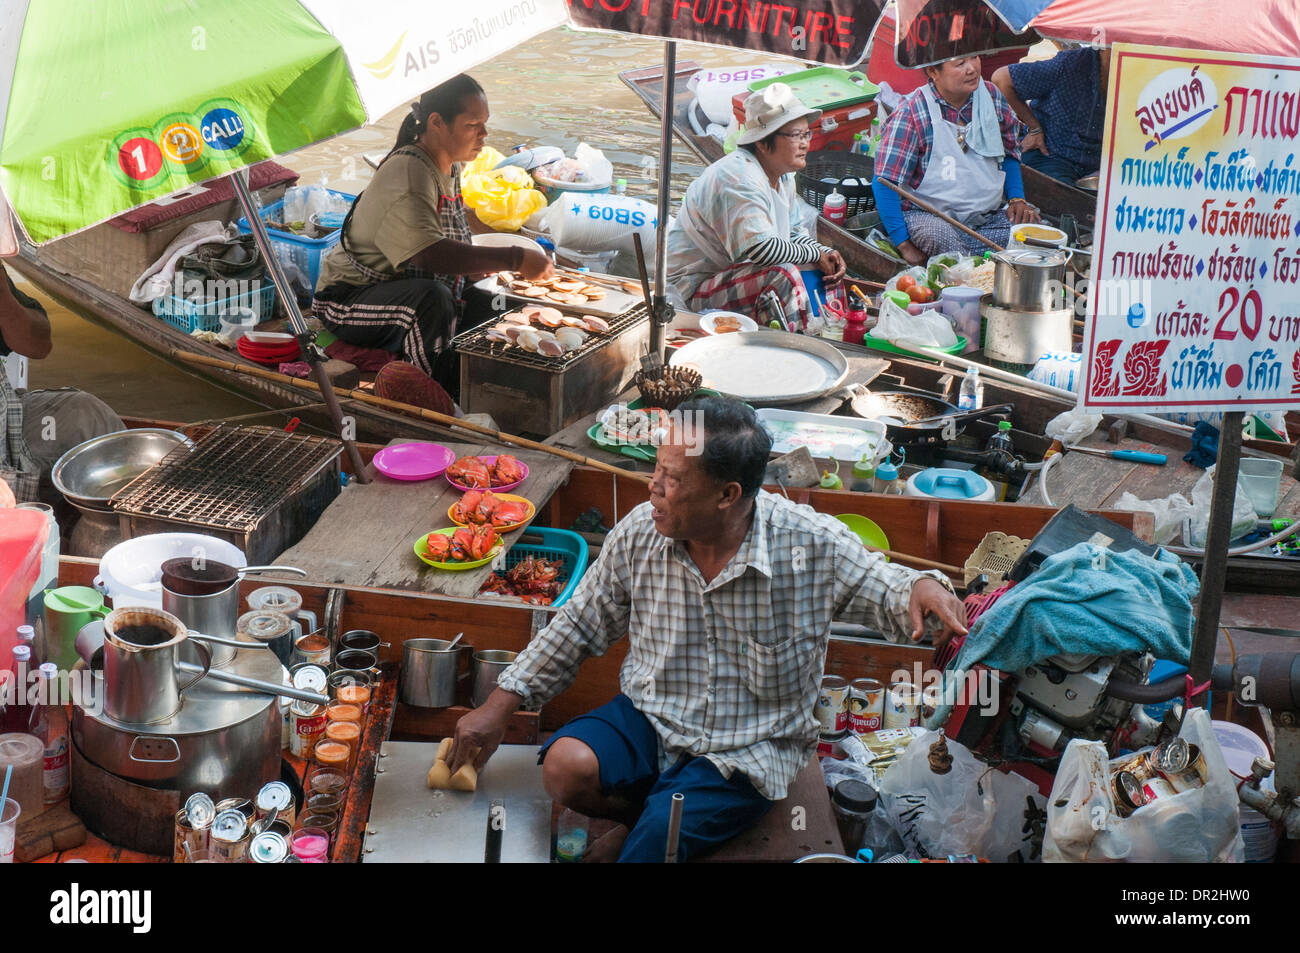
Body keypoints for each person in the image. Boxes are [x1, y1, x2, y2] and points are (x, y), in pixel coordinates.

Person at [447, 397, 968, 862]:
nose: (653, 486)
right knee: (565, 768)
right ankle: (650, 814)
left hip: (745, 749)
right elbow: (581, 622)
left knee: (653, 845)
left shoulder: (809, 546)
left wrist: (925, 588)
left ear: (727, 495)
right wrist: (499, 706)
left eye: (671, 479)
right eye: (657, 468)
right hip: (654, 717)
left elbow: (891, 585)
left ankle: (649, 826)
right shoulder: (639, 533)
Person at [312, 74, 554, 400]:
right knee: (432, 301)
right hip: (346, 300)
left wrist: (500, 267)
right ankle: (431, 399)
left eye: (484, 124)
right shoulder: (410, 171)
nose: (484, 134)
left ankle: (487, 385)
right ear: (437, 123)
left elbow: (455, 235)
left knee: (497, 301)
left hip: (395, 286)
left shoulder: (450, 166)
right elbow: (430, 254)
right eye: (473, 125)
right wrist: (515, 257)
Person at [667, 84, 846, 331]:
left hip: (734, 276)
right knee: (782, 274)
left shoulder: (783, 177)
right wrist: (815, 254)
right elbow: (762, 251)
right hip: (692, 290)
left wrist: (824, 252)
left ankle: (833, 329)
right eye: (796, 135)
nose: (805, 144)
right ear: (762, 143)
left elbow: (795, 234)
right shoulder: (739, 176)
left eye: (807, 134)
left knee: (829, 267)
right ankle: (798, 346)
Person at [871, 56, 1040, 265]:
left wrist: (1017, 198)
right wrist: (904, 245)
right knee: (942, 239)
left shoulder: (991, 96)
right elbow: (884, 182)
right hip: (930, 218)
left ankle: (967, 257)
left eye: (975, 58)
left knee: (1036, 235)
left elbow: (1009, 152)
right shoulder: (912, 112)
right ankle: (974, 260)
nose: (972, 69)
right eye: (960, 64)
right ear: (933, 71)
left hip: (987, 217)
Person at [0, 263, 123, 505]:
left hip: (7, 418)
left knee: (86, 414)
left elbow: (38, 345)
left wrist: (3, 295)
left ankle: (121, 518)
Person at [991, 47, 1110, 186]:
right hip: (1051, 156)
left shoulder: (1134, 75)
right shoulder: (1070, 64)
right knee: (1065, 197)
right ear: (1103, 47)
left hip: (1096, 166)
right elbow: (1001, 79)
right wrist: (1034, 128)